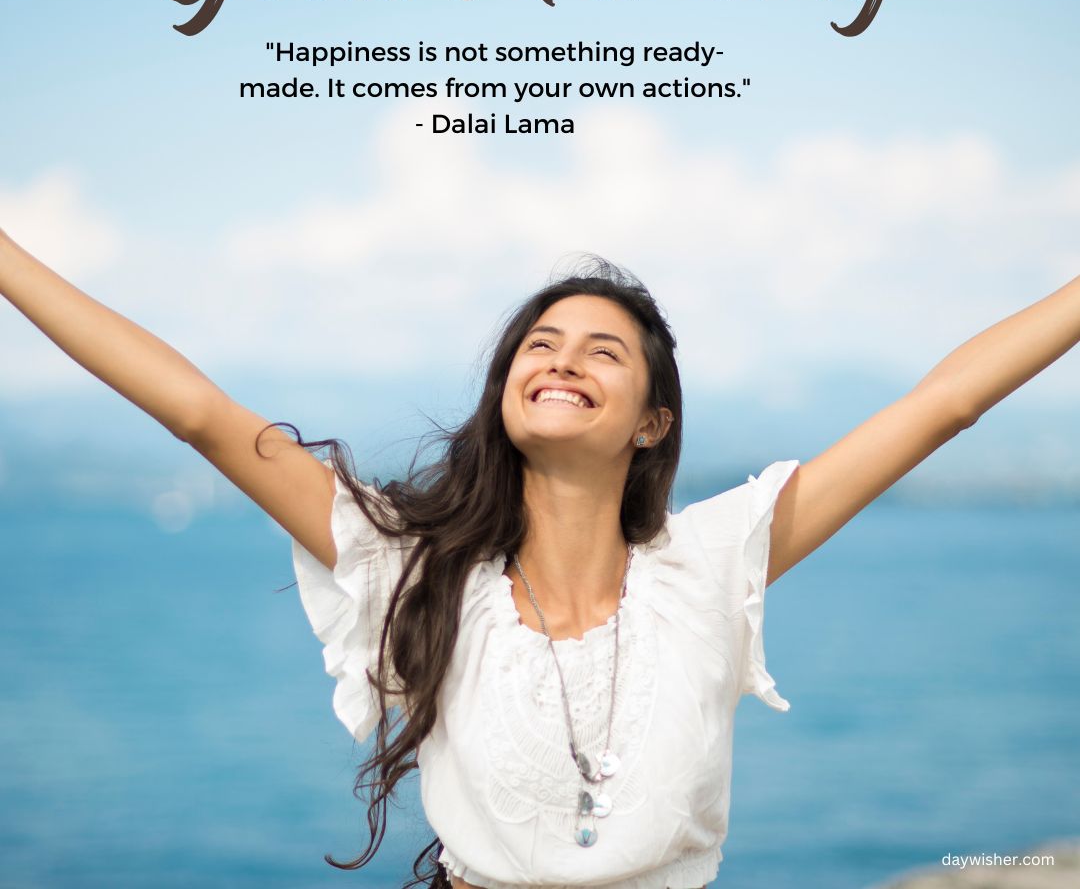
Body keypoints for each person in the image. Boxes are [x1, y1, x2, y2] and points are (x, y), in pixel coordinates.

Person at [1, 231, 1077, 889]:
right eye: (540, 344)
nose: (562, 359)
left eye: (602, 350)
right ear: (507, 390)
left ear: (652, 422)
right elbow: (194, 412)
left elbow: (947, 404)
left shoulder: (709, 564)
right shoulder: (410, 565)